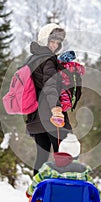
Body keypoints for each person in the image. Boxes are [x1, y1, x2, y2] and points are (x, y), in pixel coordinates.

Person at [26, 23, 72, 176]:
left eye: (58, 42)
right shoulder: (48, 60)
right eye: (52, 41)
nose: (55, 45)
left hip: (35, 117)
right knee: (65, 153)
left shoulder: (32, 59)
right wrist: (56, 108)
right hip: (51, 115)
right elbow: (50, 86)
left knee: (42, 156)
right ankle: (62, 191)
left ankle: (36, 191)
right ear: (45, 40)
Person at [26, 133, 101, 202]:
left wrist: (29, 193)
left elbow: (35, 183)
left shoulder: (48, 169)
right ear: (77, 152)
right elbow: (95, 191)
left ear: (60, 150)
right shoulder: (83, 172)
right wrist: (100, 200)